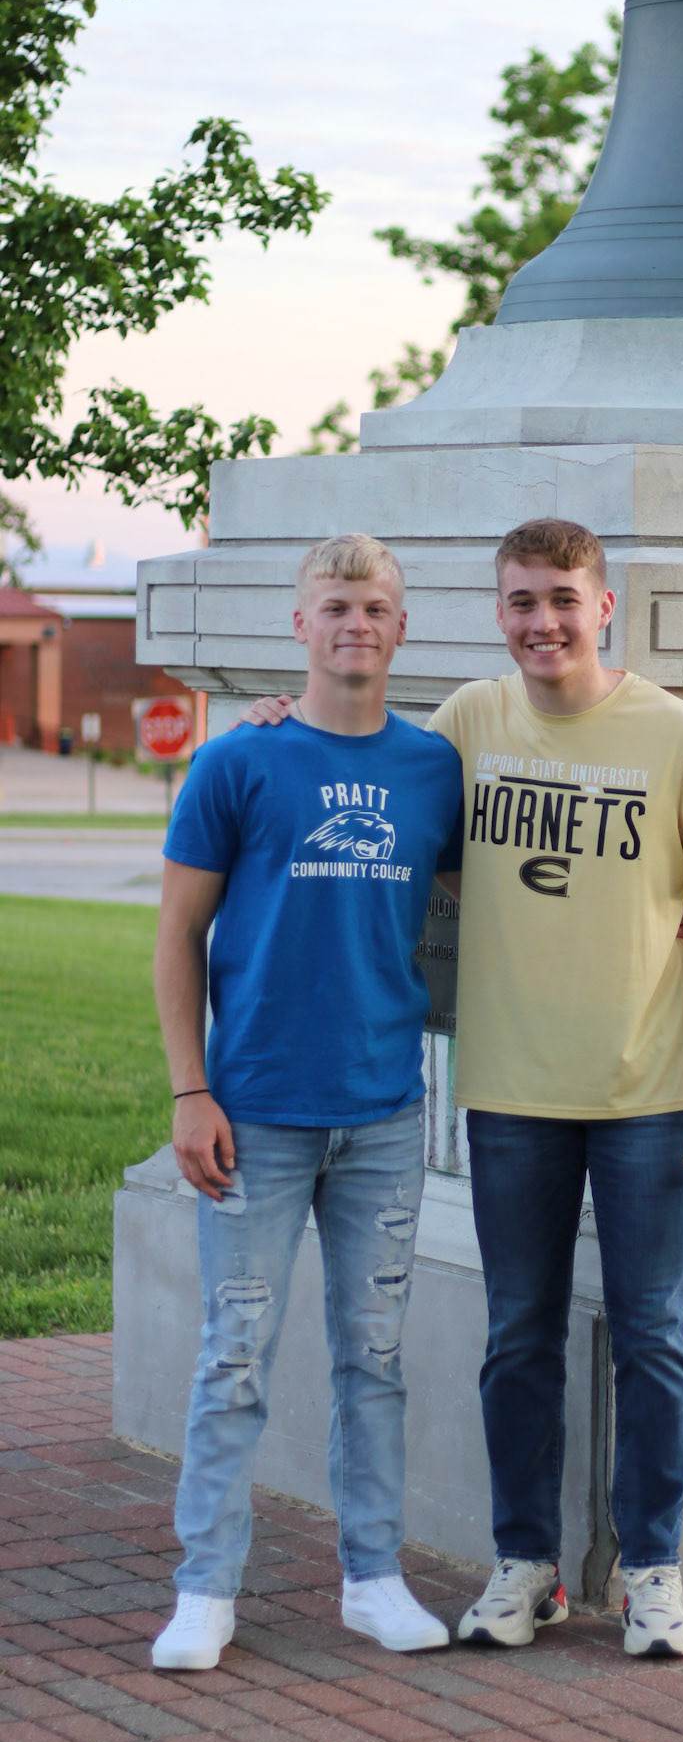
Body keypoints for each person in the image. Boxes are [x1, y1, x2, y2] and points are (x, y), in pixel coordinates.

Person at [430, 518, 683, 1659]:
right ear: (500, 610)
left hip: (652, 1093)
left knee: (651, 1334)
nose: (542, 621)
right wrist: (279, 720)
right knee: (518, 1333)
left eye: (563, 598)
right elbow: (370, 781)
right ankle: (527, 1562)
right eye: (521, 600)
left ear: (604, 606)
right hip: (512, 1089)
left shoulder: (680, 734)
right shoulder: (471, 720)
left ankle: (652, 1569)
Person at [150, 534, 465, 1672]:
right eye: (335, 605)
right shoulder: (240, 763)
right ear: (300, 624)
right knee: (234, 1353)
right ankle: (205, 1588)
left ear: (399, 626)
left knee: (372, 1357)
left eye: (376, 606)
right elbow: (178, 935)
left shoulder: (435, 769)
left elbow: (530, 893)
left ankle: (372, 1576)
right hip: (257, 1114)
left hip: (383, 1115)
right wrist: (192, 1088)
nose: (356, 623)